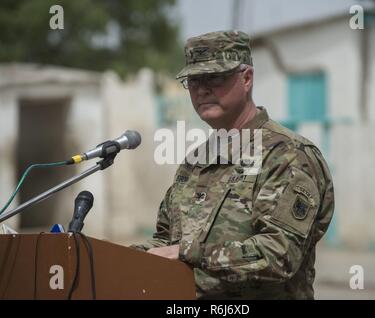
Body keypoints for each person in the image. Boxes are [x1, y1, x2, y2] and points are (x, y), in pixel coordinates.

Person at [132, 30, 334, 299]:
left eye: (214, 77)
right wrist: (119, 257)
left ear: (247, 78)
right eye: (193, 81)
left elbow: (279, 255)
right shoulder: (195, 161)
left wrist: (188, 252)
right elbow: (167, 241)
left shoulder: (287, 155)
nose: (202, 89)